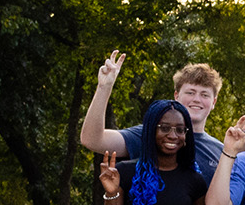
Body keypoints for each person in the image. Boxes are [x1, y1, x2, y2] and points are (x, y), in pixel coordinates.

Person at [79, 52, 227, 183]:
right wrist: (104, 87)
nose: (196, 99)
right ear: (176, 96)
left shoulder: (221, 152)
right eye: (190, 92)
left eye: (204, 94)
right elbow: (92, 140)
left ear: (214, 102)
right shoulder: (151, 134)